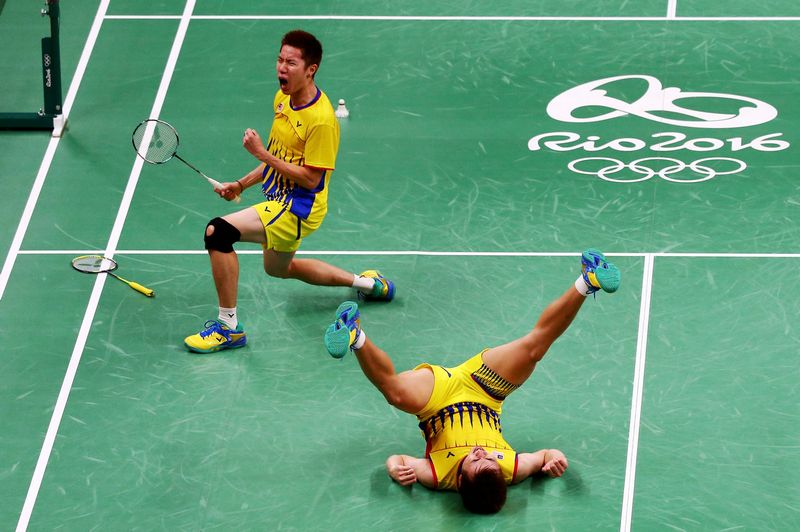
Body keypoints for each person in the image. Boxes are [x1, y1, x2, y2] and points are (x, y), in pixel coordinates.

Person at [323, 249, 621, 513]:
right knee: (535, 348)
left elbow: (398, 459)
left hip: (436, 400)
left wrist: (394, 471)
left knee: (395, 394)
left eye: (477, 462)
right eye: (491, 460)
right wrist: (556, 460)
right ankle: (588, 278)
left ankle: (354, 335)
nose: (483, 455)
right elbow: (545, 455)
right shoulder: (509, 470)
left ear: (461, 479)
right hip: (486, 390)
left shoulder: (438, 476)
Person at [184, 30, 394, 353]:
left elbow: (311, 179)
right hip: (279, 200)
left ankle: (228, 327)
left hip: (298, 208)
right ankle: (369, 284)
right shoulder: (282, 99)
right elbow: (278, 155)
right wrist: (241, 184)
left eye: (291, 63)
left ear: (311, 69)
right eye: (280, 60)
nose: (282, 68)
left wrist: (261, 155)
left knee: (218, 232)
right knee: (280, 269)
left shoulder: (322, 120)